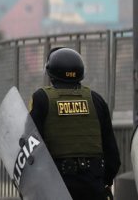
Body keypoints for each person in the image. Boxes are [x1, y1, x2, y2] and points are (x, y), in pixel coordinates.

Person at [29, 47, 120, 199]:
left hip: (56, 187)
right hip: (93, 186)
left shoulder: (41, 99)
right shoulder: (96, 100)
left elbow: (31, 146)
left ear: (51, 74)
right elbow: (113, 156)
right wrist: (104, 182)